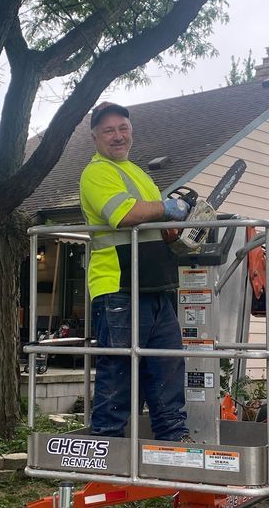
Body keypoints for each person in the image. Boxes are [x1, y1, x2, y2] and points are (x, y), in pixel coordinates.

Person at [80, 101, 192, 441]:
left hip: (155, 287)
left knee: (168, 370)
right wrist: (169, 207)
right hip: (119, 288)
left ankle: (173, 444)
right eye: (109, 131)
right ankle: (107, 449)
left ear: (131, 131)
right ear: (95, 138)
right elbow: (124, 215)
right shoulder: (96, 172)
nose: (118, 136)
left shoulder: (138, 173)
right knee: (118, 375)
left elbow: (150, 221)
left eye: (123, 128)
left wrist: (169, 228)